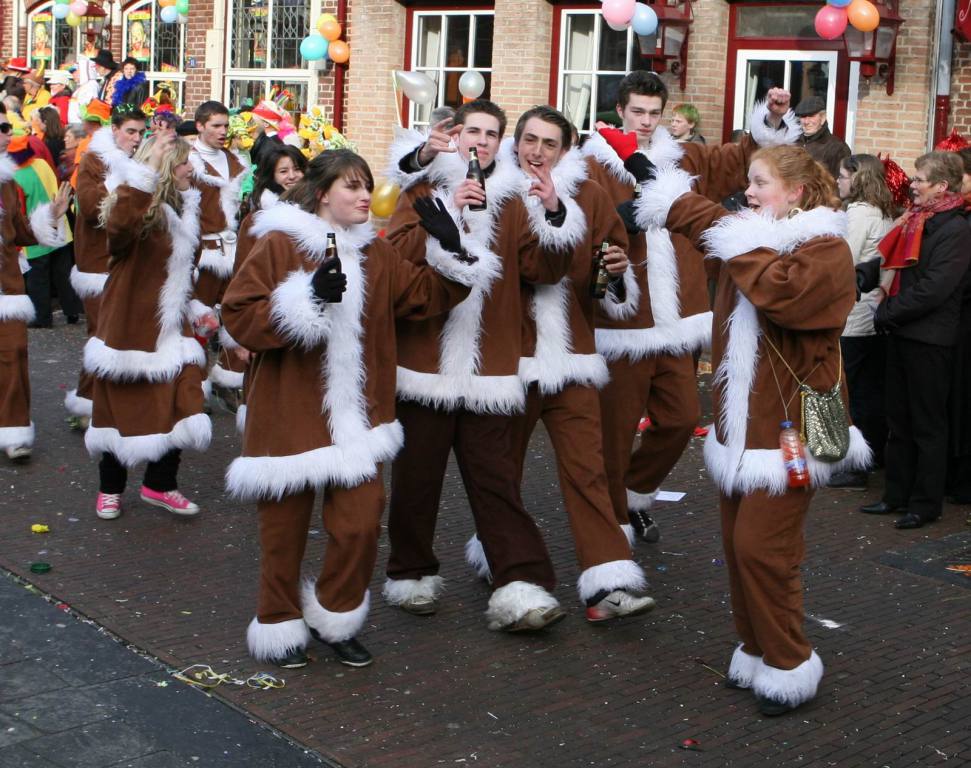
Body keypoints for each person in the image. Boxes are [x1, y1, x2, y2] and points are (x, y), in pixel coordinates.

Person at [221, 149, 490, 669]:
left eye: (367, 185)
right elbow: (239, 315)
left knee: (360, 524)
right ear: (323, 194)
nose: (366, 196)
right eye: (352, 186)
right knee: (282, 533)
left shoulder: (376, 253)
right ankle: (278, 624)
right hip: (289, 410)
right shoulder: (279, 242)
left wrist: (452, 247)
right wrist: (306, 299)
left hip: (359, 420)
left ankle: (336, 615)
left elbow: (425, 296)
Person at [638, 145, 869, 716]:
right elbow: (716, 244)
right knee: (737, 548)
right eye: (749, 181)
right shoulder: (753, 240)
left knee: (764, 550)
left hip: (791, 435)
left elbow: (780, 294)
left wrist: (697, 212)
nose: (749, 191)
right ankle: (755, 649)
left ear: (796, 191)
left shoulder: (825, 248)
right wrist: (668, 198)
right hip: (740, 434)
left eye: (761, 182)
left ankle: (789, 664)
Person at [382, 99, 574, 630]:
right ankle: (410, 573)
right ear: (456, 137)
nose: (482, 141)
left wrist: (555, 213)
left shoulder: (514, 199)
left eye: (492, 134)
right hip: (426, 361)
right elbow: (394, 255)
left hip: (491, 365)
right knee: (417, 480)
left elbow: (545, 269)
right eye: (474, 131)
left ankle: (521, 582)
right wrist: (445, 219)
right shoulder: (423, 189)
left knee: (496, 480)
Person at [583, 71, 798, 543]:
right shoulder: (592, 165)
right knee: (615, 432)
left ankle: (635, 493)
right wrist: (616, 224)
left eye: (653, 113)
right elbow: (579, 228)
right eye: (636, 112)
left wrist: (771, 120)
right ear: (619, 111)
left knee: (680, 420)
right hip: (625, 323)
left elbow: (742, 159)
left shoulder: (685, 157)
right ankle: (613, 523)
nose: (645, 121)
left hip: (680, 320)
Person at [476, 105, 654, 621]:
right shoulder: (496, 192)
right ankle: (503, 560)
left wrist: (614, 271)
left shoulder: (590, 195)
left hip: (573, 355)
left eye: (549, 143)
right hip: (510, 358)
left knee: (588, 470)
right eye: (529, 140)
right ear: (515, 143)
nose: (537, 151)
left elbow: (605, 278)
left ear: (566, 150)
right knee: (502, 471)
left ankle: (608, 582)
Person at [83, 134, 212, 520]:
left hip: (172, 327)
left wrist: (196, 307)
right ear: (167, 168)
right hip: (130, 326)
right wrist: (146, 171)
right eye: (184, 161)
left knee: (183, 401)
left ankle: (160, 483)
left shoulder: (185, 208)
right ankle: (110, 488)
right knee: (122, 407)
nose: (192, 168)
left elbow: (181, 271)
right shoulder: (137, 209)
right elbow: (120, 226)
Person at [858, 152, 971, 529]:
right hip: (902, 333)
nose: (912, 184)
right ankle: (895, 495)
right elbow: (890, 260)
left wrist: (887, 312)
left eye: (920, 179)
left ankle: (925, 504)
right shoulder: (915, 220)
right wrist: (863, 276)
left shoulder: (956, 230)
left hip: (930, 340)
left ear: (942, 186)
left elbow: (934, 288)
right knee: (899, 420)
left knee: (927, 425)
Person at [65, 106, 146, 428]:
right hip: (97, 261)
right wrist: (123, 184)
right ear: (114, 130)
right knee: (102, 332)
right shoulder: (93, 160)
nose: (136, 138)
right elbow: (88, 207)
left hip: (127, 258)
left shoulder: (139, 160)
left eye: (141, 132)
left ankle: (107, 402)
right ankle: (89, 403)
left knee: (121, 332)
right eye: (130, 131)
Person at [0, 104, 71, 462]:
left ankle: (13, 431)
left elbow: (22, 232)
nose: (7, 134)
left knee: (13, 355)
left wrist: (51, 216)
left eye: (6, 127)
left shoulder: (8, 182)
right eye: (1, 128)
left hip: (8, 289)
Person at [826, 155, 895, 491]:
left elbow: (842, 260)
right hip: (873, 314)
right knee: (869, 389)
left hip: (854, 316)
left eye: (842, 176)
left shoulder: (858, 214)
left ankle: (855, 466)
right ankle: (872, 455)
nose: (838, 181)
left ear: (858, 179)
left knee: (851, 391)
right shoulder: (884, 213)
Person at [224, 143, 307, 423]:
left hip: (306, 316)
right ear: (271, 176)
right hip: (268, 318)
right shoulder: (257, 220)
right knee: (268, 399)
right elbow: (242, 277)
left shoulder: (314, 213)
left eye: (297, 169)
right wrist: (242, 337)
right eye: (284, 171)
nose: (292, 176)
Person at [188, 100, 250, 408]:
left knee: (238, 314)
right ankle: (194, 387)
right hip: (203, 252)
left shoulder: (236, 160)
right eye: (216, 125)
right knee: (199, 321)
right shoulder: (188, 161)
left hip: (234, 249)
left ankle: (228, 378)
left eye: (226, 125)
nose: (223, 131)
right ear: (200, 126)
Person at [9, 135, 80, 328]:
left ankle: (42, 318)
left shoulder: (15, 177)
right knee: (63, 274)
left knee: (38, 280)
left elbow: (19, 211)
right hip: (59, 227)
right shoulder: (42, 163)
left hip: (37, 236)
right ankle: (73, 311)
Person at [792, 95, 850, 180]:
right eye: (803, 117)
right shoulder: (793, 142)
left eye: (811, 116)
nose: (806, 122)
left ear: (823, 117)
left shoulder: (838, 148)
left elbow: (840, 183)